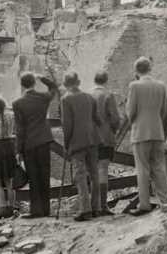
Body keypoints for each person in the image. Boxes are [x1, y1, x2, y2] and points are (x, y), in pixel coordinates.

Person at [126, 57, 167, 216]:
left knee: (143, 169)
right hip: (157, 132)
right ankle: (165, 201)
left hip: (140, 133)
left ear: (136, 71)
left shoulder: (134, 86)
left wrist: (134, 121)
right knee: (159, 167)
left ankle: (144, 204)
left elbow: (130, 111)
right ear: (150, 68)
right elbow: (165, 111)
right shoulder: (161, 86)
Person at [12, 72, 59, 218]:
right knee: (45, 175)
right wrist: (42, 78)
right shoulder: (43, 98)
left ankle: (36, 210)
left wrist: (18, 150)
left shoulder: (17, 103)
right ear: (34, 83)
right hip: (44, 141)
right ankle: (46, 210)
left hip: (29, 143)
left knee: (33, 177)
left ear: (22, 85)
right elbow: (54, 87)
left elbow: (20, 129)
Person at [61, 71, 102, 221]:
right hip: (92, 139)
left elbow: (67, 125)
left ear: (66, 85)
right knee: (94, 173)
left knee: (80, 175)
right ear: (78, 83)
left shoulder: (66, 99)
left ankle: (85, 209)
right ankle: (97, 208)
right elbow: (97, 119)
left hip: (77, 142)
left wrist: (66, 144)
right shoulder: (89, 97)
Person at [88, 71, 121, 216]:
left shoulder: (88, 95)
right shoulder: (108, 95)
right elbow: (115, 118)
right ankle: (102, 206)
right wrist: (113, 130)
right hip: (105, 137)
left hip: (90, 139)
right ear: (106, 81)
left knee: (93, 171)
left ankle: (93, 206)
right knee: (102, 170)